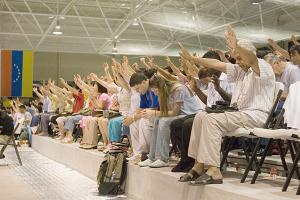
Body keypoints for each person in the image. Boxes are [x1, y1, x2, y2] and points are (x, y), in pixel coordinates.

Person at [178, 25, 275, 185]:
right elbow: (217, 64)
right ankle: (198, 165)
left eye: (239, 58)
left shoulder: (262, 67)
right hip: (240, 115)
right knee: (201, 116)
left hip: (256, 116)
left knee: (211, 120)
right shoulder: (241, 70)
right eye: (235, 58)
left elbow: (249, 58)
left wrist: (235, 45)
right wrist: (192, 59)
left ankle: (214, 171)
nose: (238, 62)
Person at [170, 50, 234, 172]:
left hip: (223, 113)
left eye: (206, 65)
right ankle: (186, 159)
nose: (204, 69)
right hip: (209, 111)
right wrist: (197, 90)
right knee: (175, 124)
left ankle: (194, 162)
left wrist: (219, 89)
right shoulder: (211, 78)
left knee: (188, 124)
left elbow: (233, 102)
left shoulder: (229, 78)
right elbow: (208, 102)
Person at [137, 75, 203, 168]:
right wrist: (154, 113)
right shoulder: (162, 93)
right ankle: (152, 157)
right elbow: (165, 112)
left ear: (160, 88)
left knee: (164, 121)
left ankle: (163, 159)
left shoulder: (178, 89)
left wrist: (154, 112)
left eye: (155, 91)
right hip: (181, 115)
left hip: (191, 114)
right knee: (157, 120)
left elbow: (173, 113)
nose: (155, 93)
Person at [125, 71, 159, 162]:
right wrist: (132, 117)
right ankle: (138, 153)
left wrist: (134, 117)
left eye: (138, 88)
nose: (137, 91)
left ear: (144, 81)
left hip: (159, 113)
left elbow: (155, 108)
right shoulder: (144, 92)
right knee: (133, 122)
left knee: (144, 121)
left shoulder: (153, 88)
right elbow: (141, 108)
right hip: (151, 113)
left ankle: (148, 153)